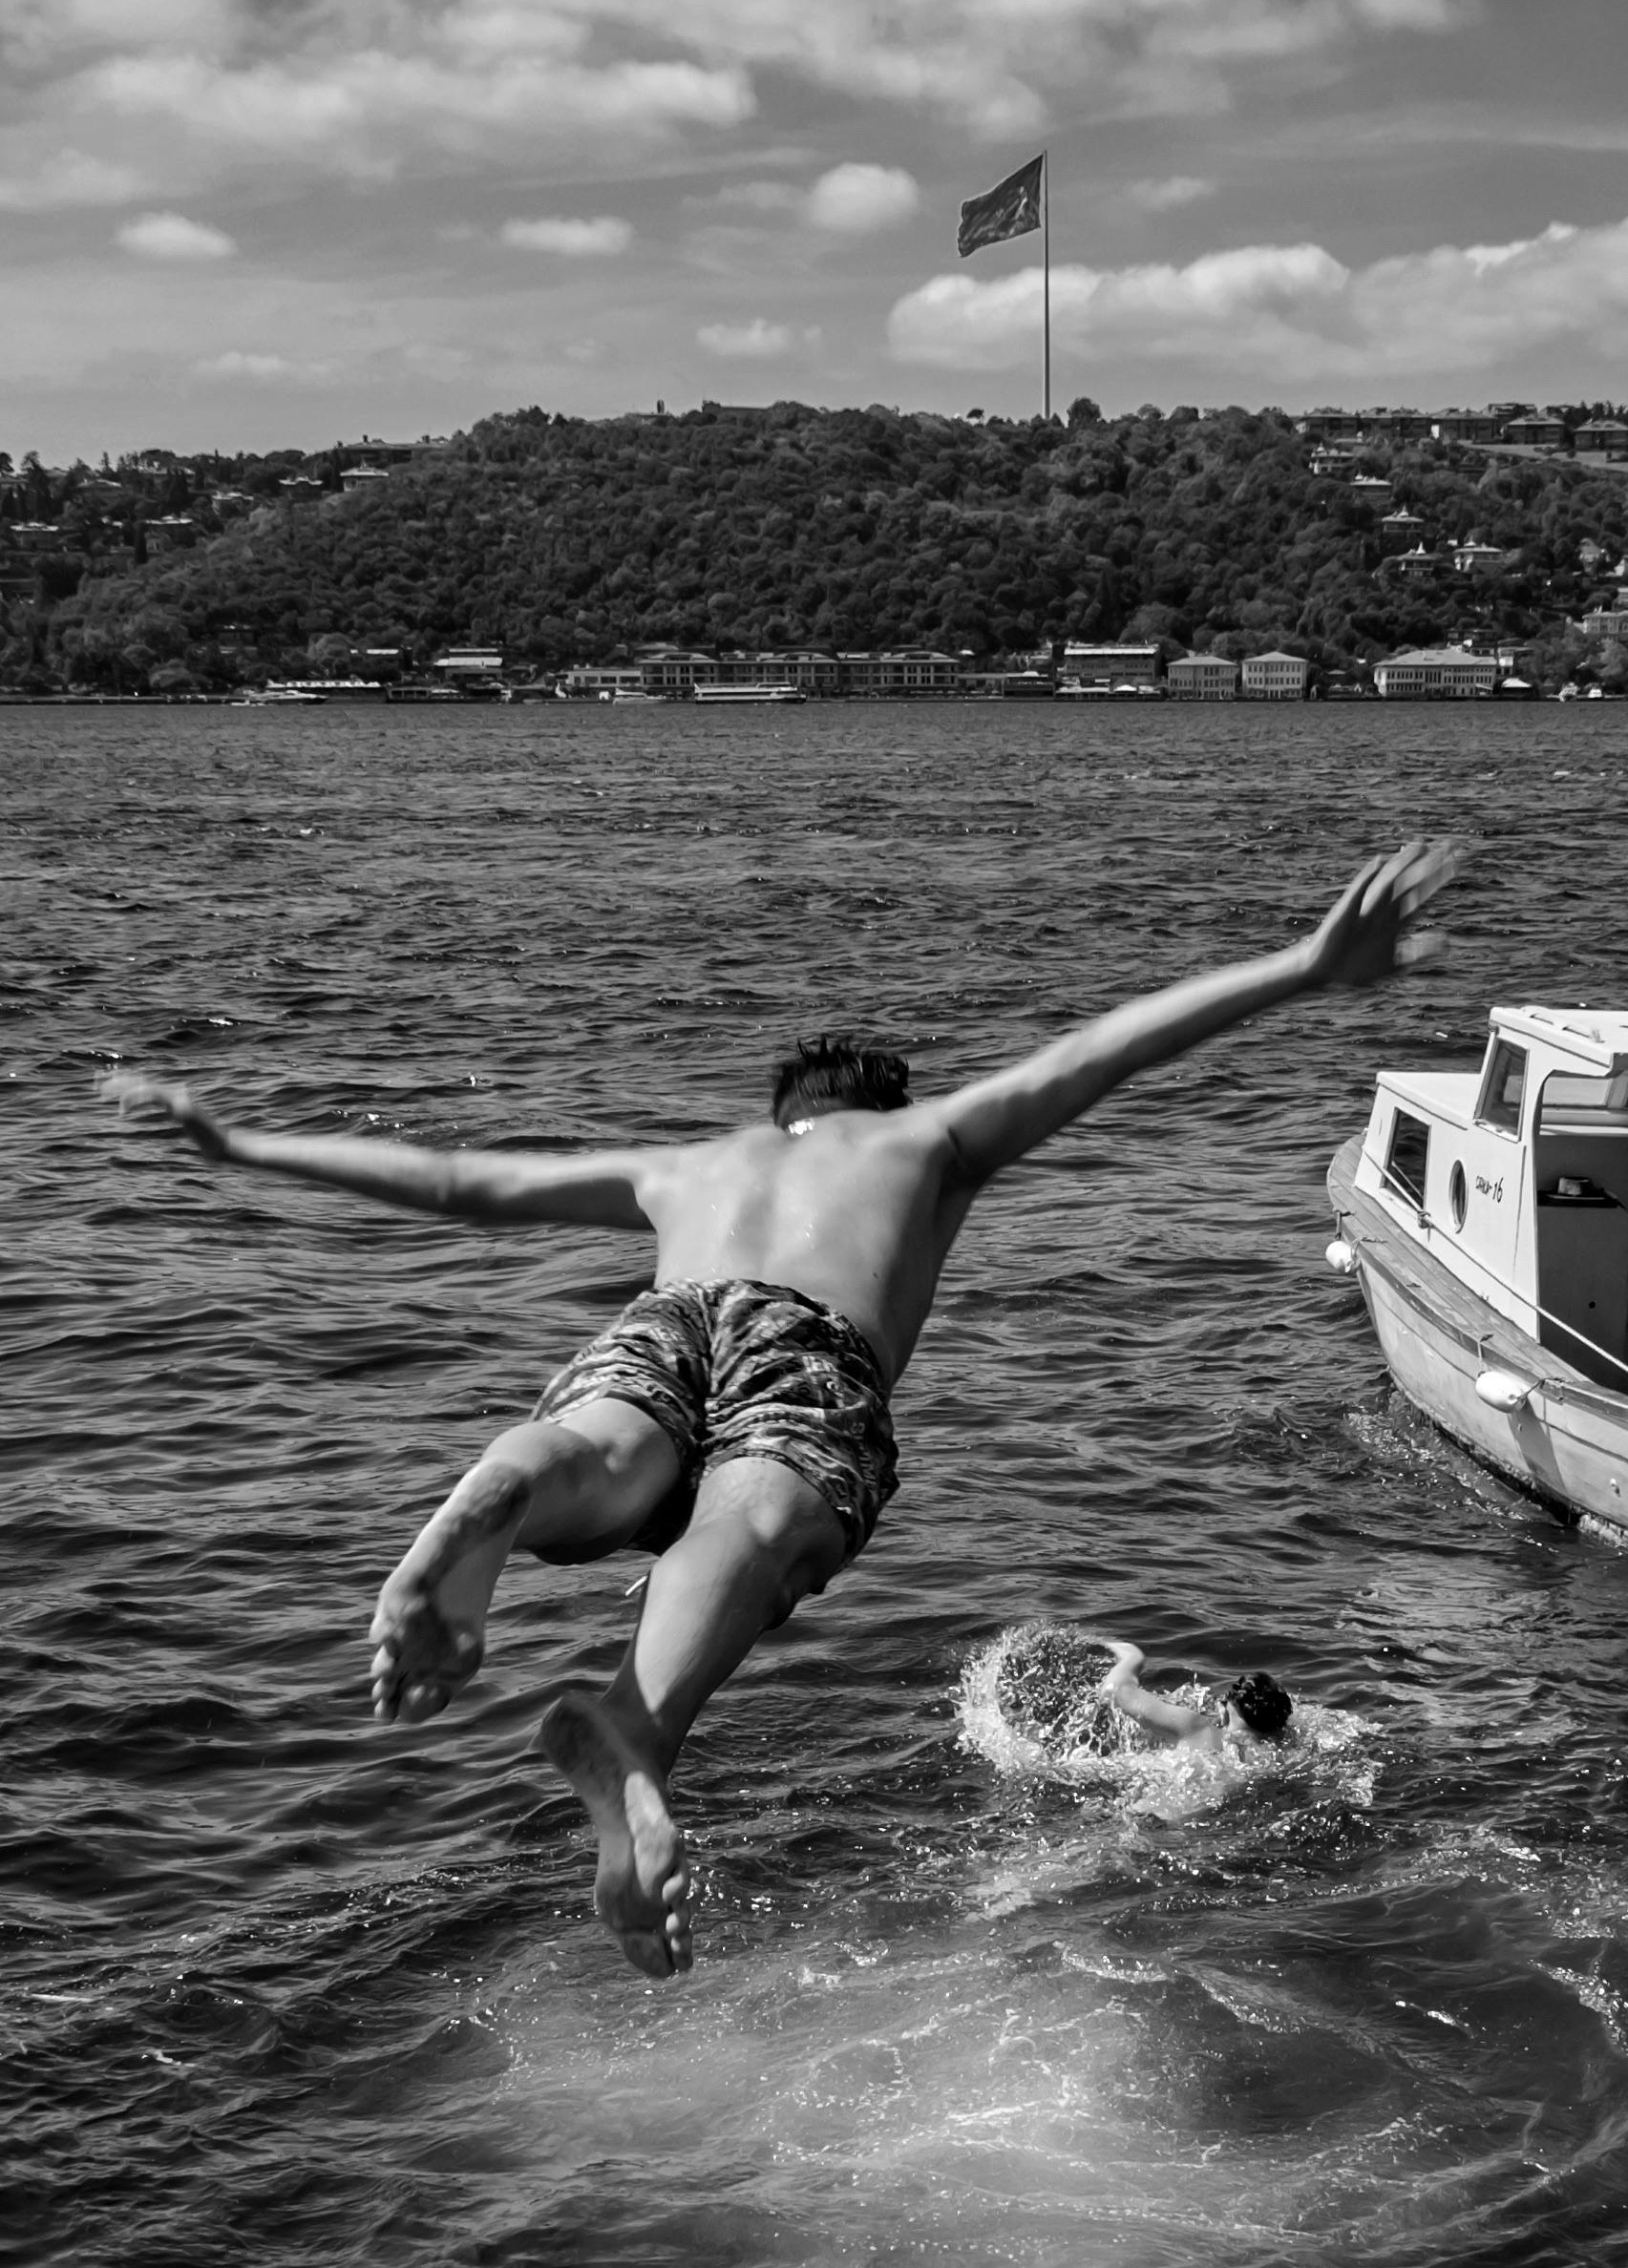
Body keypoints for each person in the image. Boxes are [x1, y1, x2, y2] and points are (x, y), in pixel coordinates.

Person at [104, 840, 1456, 1982]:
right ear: (878, 1109)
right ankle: (634, 1730)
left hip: (670, 1316)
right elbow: (1101, 1052)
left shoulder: (684, 1168)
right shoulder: (925, 1143)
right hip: (809, 1354)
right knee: (749, 1523)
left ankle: (506, 1487)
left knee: (604, 1446)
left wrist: (237, 1141)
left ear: (775, 1118)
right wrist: (1302, 966)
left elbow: (462, 1181)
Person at [1098, 1640, 1294, 1755]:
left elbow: (1115, 1691)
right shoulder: (1286, 1749)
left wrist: (1133, 1657)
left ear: (1224, 1711)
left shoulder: (1196, 1728)